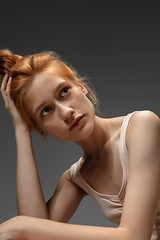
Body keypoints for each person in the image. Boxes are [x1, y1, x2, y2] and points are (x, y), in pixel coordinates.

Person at [0, 49, 160, 240]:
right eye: (46, 110)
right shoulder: (76, 179)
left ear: (81, 86)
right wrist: (22, 131)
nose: (66, 112)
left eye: (64, 92)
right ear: (41, 129)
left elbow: (135, 236)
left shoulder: (142, 126)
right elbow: (36, 232)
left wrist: (18, 227)